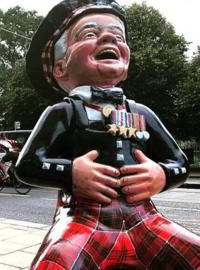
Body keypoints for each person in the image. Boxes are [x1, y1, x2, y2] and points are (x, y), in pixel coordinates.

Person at [15, 0, 200, 269]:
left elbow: (179, 162)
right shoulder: (63, 112)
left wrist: (160, 175)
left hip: (144, 218)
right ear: (60, 68)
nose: (107, 37)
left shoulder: (142, 112)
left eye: (118, 35)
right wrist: (72, 173)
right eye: (89, 34)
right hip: (85, 220)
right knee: (57, 262)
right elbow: (27, 165)